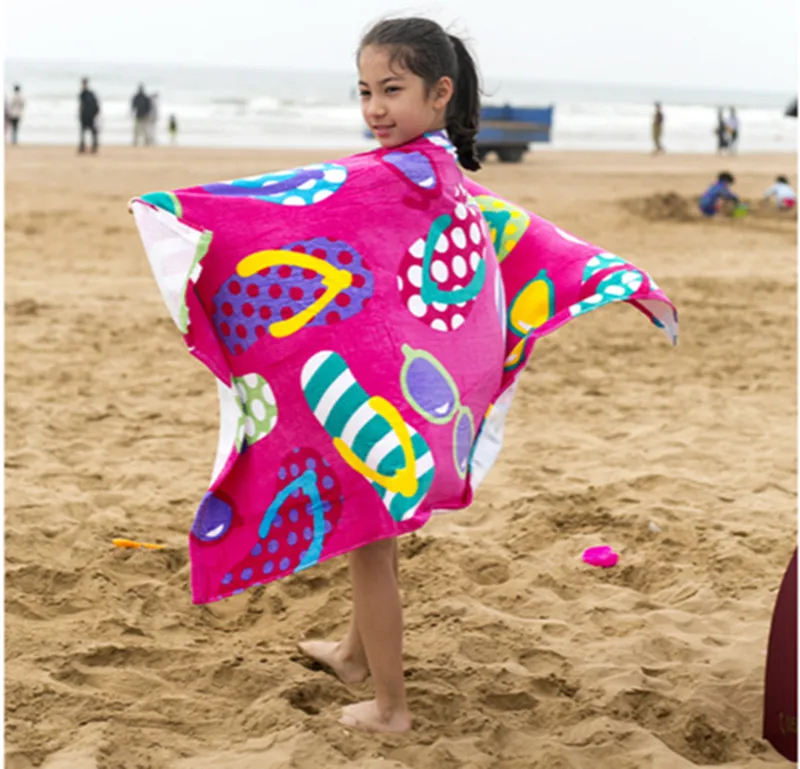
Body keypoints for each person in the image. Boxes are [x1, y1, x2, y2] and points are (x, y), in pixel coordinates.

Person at [78, 77, 100, 154]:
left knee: (83, 132)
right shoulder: (90, 94)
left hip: (86, 115)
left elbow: (81, 105)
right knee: (92, 131)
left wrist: (80, 114)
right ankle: (93, 147)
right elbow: (96, 105)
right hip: (90, 115)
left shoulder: (83, 94)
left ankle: (83, 147)